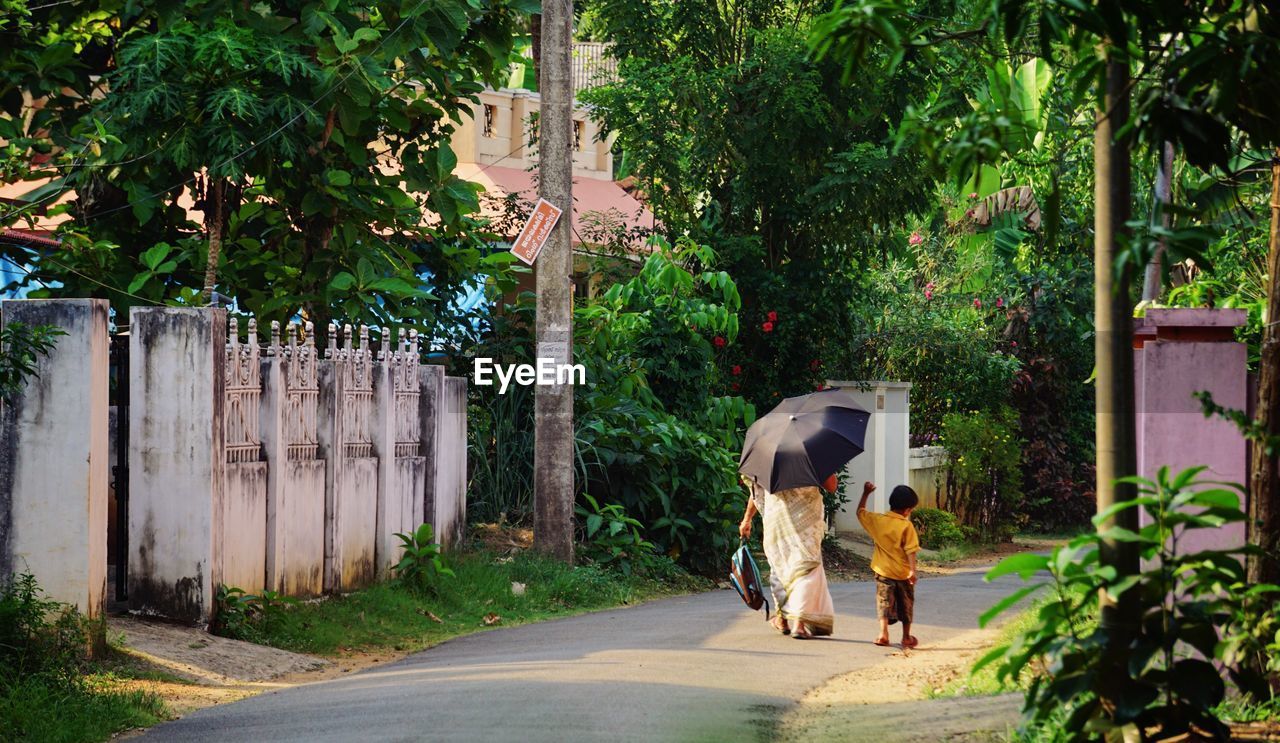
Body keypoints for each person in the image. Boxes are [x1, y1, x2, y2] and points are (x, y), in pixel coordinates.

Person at [739, 473, 837, 639]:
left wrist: (747, 519)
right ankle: (798, 624)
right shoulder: (812, 456)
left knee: (780, 569)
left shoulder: (769, 457)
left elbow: (757, 492)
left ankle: (782, 619)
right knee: (805, 570)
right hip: (805, 522)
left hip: (776, 521)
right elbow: (832, 486)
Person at [856, 481, 921, 649]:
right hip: (903, 573)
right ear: (908, 510)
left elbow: (860, 513)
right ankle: (906, 637)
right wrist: (912, 570)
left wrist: (865, 493)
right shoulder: (907, 526)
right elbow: (911, 550)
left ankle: (883, 634)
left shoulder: (878, 521)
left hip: (883, 572)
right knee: (906, 604)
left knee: (883, 602)